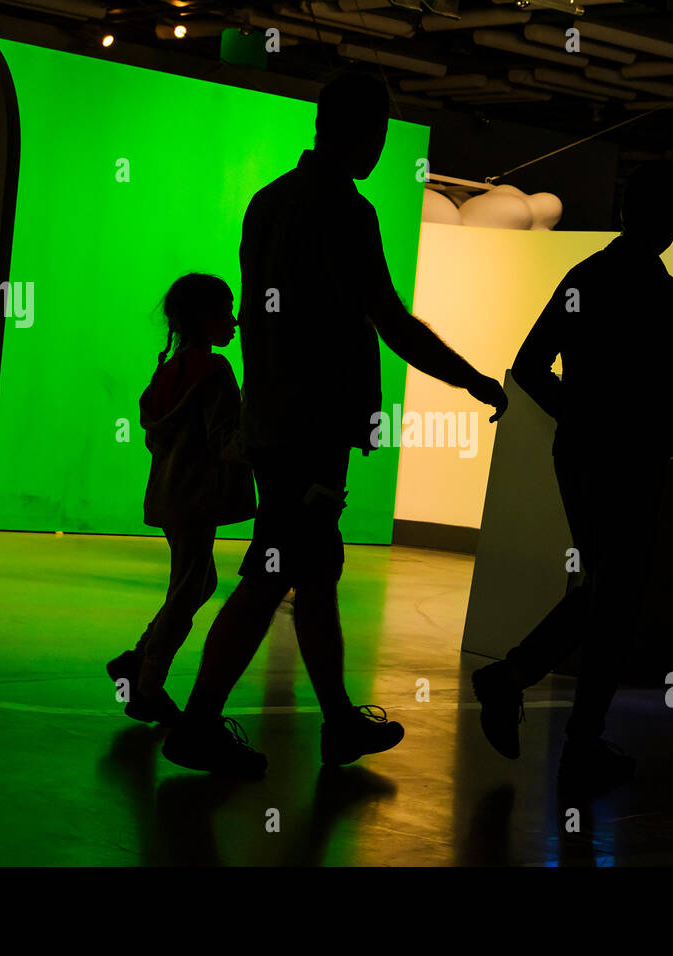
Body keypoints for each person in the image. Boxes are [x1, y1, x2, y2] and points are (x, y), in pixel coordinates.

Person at [161, 72, 508, 776]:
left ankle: (340, 722)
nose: (381, 147)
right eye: (379, 132)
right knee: (272, 572)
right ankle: (198, 726)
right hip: (312, 432)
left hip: (276, 424)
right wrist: (469, 377)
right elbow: (387, 318)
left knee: (314, 571)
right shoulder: (346, 211)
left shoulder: (267, 204)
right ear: (361, 131)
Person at [471, 161, 673, 794]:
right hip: (633, 461)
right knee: (617, 597)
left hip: (585, 453)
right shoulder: (666, 294)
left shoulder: (586, 277)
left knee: (607, 589)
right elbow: (672, 392)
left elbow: (529, 367)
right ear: (668, 222)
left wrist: (583, 414)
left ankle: (537, 698)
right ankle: (564, 724)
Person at [107, 273, 254, 724]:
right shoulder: (215, 371)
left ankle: (136, 658)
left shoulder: (167, 372)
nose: (235, 321)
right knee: (189, 588)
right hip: (198, 499)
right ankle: (147, 686)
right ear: (204, 318)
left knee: (199, 583)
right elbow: (225, 441)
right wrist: (266, 434)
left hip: (169, 497)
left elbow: (159, 438)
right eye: (226, 310)